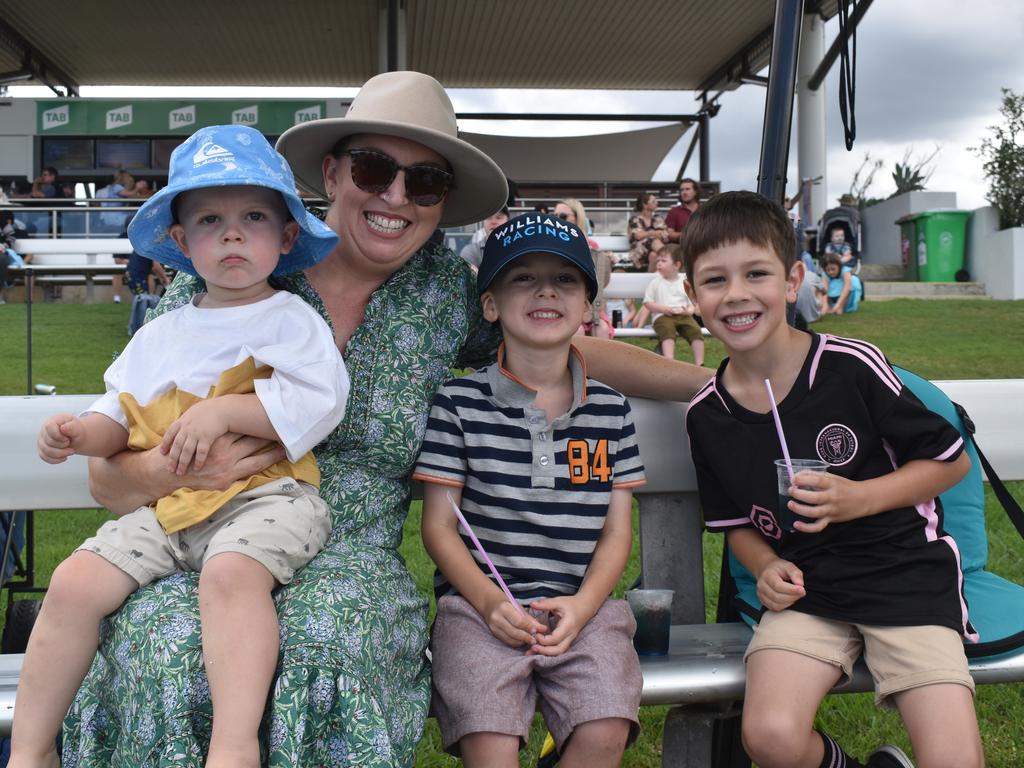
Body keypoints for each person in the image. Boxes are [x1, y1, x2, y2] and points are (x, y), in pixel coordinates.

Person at [67, 71, 711, 767]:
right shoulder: (226, 273)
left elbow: (558, 341)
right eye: (375, 169)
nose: (397, 198)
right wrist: (171, 468)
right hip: (198, 536)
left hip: (352, 557)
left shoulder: (444, 295)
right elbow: (108, 480)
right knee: (163, 644)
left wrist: (716, 383)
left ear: (443, 200)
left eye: (425, 182)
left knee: (333, 639)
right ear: (333, 172)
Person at [14, 125, 348, 768]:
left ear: (283, 238)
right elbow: (120, 412)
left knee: (230, 576)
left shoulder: (290, 319)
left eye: (253, 217)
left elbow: (319, 402)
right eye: (209, 219)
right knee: (73, 582)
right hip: (168, 509)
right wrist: (81, 432)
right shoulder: (162, 332)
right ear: (180, 241)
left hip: (264, 497)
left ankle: (233, 743)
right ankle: (31, 750)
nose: (231, 233)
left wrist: (225, 410)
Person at [683, 191, 983, 768]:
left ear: (794, 280)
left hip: (905, 579)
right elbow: (736, 524)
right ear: (693, 297)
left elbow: (951, 461)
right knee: (769, 737)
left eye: (757, 273)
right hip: (810, 595)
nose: (738, 294)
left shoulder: (850, 365)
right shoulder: (707, 414)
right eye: (715, 281)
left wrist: (859, 497)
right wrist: (766, 565)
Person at [415, 214, 645, 766]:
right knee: (489, 741)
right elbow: (439, 527)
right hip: (478, 610)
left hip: (583, 610)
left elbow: (617, 532)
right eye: (522, 278)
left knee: (606, 727)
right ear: (490, 304)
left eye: (565, 280)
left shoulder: (611, 409)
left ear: (588, 306)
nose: (545, 290)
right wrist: (491, 603)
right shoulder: (458, 404)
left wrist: (585, 604)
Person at [554, 198, 614, 338]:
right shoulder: (550, 246)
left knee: (601, 329)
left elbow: (601, 282)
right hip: (561, 303)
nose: (557, 220)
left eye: (563, 216)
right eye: (554, 216)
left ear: (577, 218)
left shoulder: (592, 247)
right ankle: (575, 361)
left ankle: (598, 361)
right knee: (577, 331)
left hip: (589, 305)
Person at [643, 245, 704, 365]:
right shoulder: (655, 283)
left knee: (695, 331)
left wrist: (689, 311)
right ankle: (669, 361)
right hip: (662, 316)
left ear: (677, 265)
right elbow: (647, 302)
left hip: (683, 315)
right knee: (667, 331)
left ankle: (700, 363)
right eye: (658, 261)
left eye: (663, 261)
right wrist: (662, 309)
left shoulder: (684, 282)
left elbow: (691, 301)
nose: (659, 263)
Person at [458, 204, 509, 270]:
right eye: (488, 217)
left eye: (499, 217)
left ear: (508, 221)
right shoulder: (471, 251)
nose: (493, 222)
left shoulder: (517, 248)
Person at [627, 191, 668, 271]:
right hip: (638, 253)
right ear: (645, 205)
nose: (657, 202)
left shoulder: (658, 218)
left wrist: (646, 234)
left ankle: (651, 282)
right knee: (654, 241)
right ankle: (670, 258)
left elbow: (664, 235)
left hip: (655, 251)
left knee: (653, 255)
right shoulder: (635, 219)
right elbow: (638, 236)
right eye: (653, 201)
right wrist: (653, 233)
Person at [820, 251, 862, 315]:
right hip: (833, 294)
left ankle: (841, 307)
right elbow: (824, 291)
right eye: (828, 270)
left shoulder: (845, 271)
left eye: (833, 269)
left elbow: (847, 288)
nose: (830, 272)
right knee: (819, 287)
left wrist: (839, 304)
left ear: (839, 266)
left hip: (845, 296)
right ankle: (831, 307)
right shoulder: (825, 275)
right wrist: (825, 305)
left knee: (853, 281)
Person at [665, 177, 701, 243]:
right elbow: (669, 234)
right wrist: (687, 235)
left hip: (704, 246)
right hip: (681, 247)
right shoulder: (674, 211)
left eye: (687, 189)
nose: (684, 192)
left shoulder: (704, 210)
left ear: (695, 192)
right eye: (682, 190)